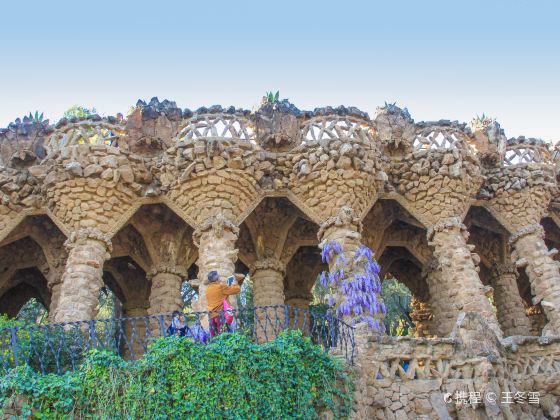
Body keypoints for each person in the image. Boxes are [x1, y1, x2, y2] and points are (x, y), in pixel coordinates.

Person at [206, 270, 242, 337]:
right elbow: (237, 289)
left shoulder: (207, 289)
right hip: (220, 316)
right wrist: (234, 282)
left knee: (214, 338)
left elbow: (219, 297)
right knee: (225, 336)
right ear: (217, 278)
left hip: (211, 316)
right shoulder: (221, 286)